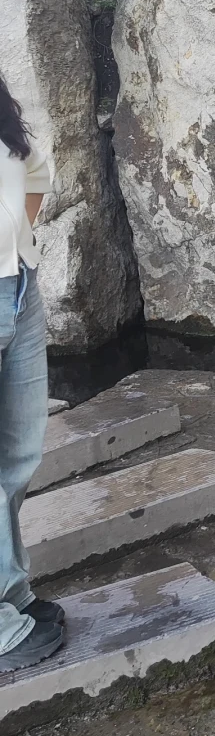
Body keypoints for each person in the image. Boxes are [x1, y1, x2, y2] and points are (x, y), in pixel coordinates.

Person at [0, 70, 64, 672]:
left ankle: (11, 593)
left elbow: (36, 172)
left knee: (20, 453)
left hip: (18, 289)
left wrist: (15, 241)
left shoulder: (3, 117)